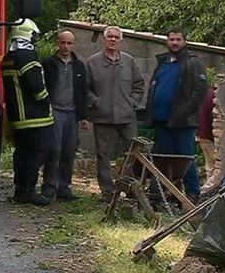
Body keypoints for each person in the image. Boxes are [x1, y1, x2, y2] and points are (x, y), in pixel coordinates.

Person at [145, 27, 208, 204]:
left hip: (183, 122)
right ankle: (166, 194)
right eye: (171, 39)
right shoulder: (162, 62)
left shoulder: (192, 62)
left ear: (184, 41)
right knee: (164, 161)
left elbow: (200, 89)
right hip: (161, 121)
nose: (174, 43)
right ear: (167, 41)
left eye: (178, 39)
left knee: (185, 159)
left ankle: (192, 194)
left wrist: (185, 111)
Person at [86, 26, 145, 202]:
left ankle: (131, 189)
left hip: (126, 117)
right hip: (102, 117)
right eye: (109, 36)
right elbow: (85, 88)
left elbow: (139, 85)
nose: (112, 39)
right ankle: (107, 193)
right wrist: (95, 102)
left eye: (115, 37)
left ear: (121, 40)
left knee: (133, 154)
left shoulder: (129, 62)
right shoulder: (92, 62)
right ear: (104, 40)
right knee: (103, 154)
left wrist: (132, 102)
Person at [1, 19, 54, 206]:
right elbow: (37, 88)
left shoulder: (9, 57)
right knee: (36, 153)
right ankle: (28, 190)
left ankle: (19, 189)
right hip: (35, 118)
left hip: (17, 117)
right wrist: (47, 99)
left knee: (21, 153)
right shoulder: (28, 57)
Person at [41, 30, 89, 201]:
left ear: (73, 44)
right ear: (58, 43)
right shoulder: (49, 63)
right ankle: (49, 186)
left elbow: (83, 91)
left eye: (69, 43)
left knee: (69, 152)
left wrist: (83, 116)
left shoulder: (79, 66)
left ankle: (64, 187)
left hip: (72, 113)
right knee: (54, 151)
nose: (66, 46)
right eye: (63, 43)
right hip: (55, 111)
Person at [197, 87, 216, 192]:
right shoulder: (215, 97)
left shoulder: (206, 93)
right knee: (217, 166)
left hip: (202, 134)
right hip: (209, 136)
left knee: (210, 166)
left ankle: (208, 191)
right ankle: (209, 190)